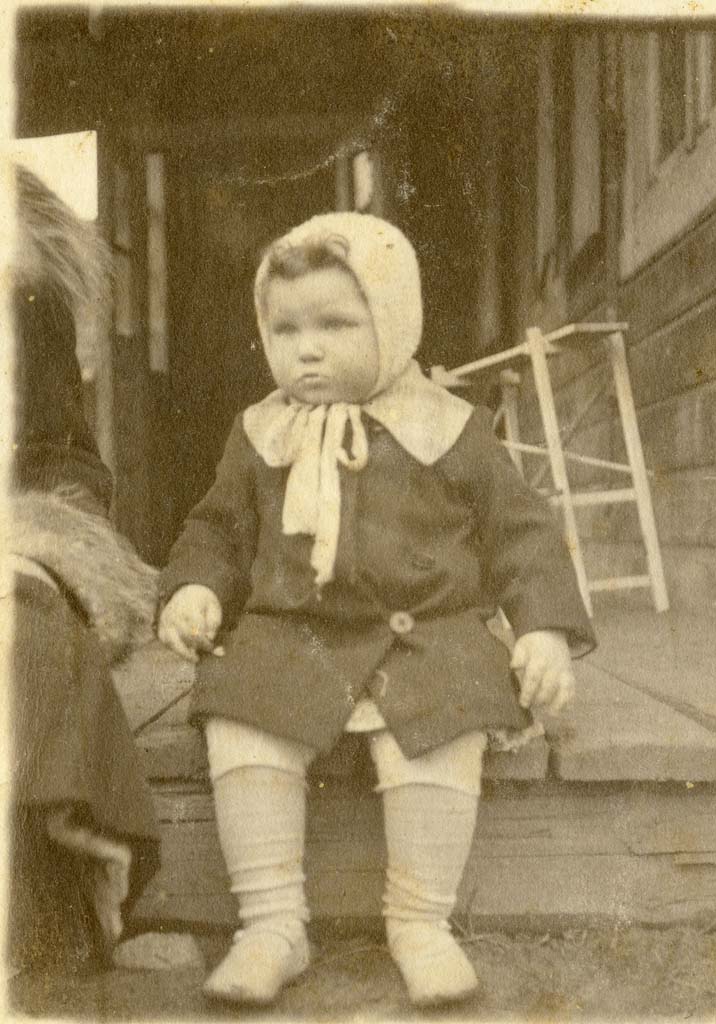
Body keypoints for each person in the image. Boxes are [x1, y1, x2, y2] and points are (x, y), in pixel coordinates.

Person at [157, 211, 595, 1007]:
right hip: (297, 637)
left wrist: (543, 630)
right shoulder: (260, 434)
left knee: (447, 715)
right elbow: (217, 530)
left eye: (335, 325)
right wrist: (196, 587)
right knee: (240, 709)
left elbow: (522, 534)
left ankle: (420, 922)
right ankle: (271, 924)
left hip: (422, 637)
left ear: (392, 322)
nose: (306, 348)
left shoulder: (450, 428)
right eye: (285, 329)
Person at [7, 166, 160, 972]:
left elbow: (56, 454)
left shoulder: (24, 297)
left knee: (22, 609)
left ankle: (62, 858)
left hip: (23, 508)